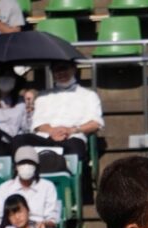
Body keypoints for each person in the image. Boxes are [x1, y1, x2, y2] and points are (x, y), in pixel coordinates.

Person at [14, 61, 104, 201]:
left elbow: (95, 123)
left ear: (73, 69)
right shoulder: (43, 96)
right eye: (56, 70)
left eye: (64, 69)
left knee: (76, 148)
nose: (61, 73)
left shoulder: (89, 95)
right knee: (19, 141)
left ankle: (72, 193)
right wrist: (51, 131)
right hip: (47, 136)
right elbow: (38, 124)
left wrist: (72, 129)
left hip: (73, 136)